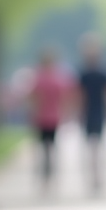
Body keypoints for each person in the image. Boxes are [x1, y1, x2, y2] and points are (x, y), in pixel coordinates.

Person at [27, 48, 71, 193]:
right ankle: (51, 176)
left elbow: (33, 98)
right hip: (53, 118)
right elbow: (64, 98)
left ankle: (45, 178)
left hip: (41, 118)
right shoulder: (58, 78)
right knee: (51, 149)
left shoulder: (38, 78)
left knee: (42, 149)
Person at [77, 33, 106, 194]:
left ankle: (96, 176)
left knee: (95, 147)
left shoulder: (89, 74)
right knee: (94, 147)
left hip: (96, 112)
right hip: (92, 113)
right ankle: (95, 177)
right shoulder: (87, 74)